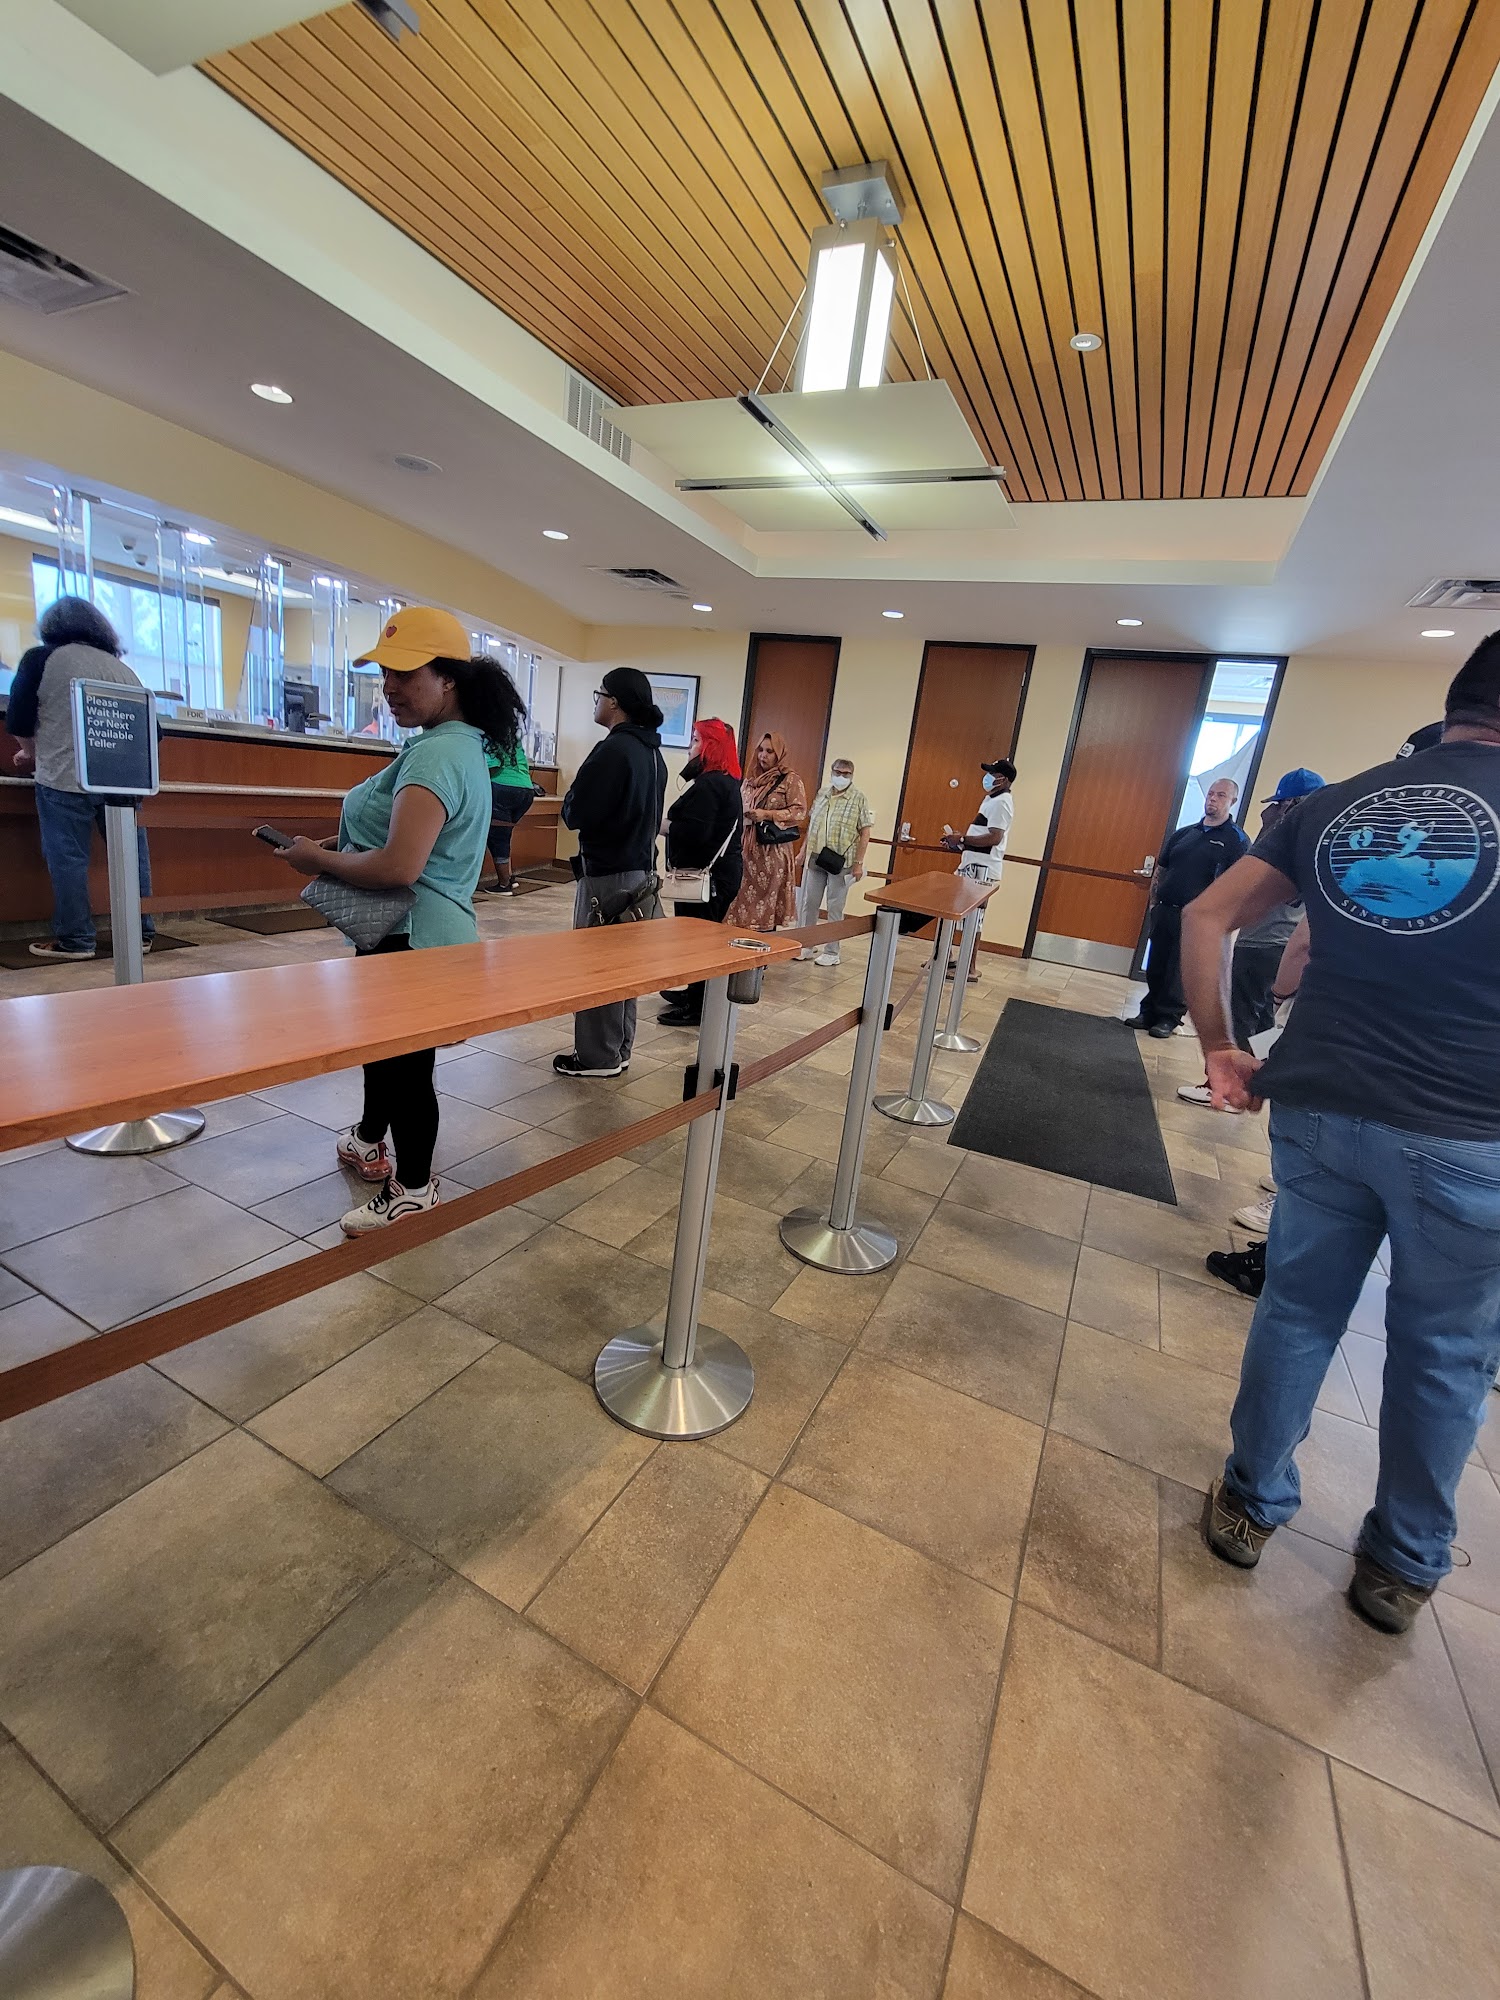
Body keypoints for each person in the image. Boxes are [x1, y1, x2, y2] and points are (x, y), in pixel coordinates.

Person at [1182, 634, 1500, 1633]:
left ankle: (1249, 1503)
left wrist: (1221, 1045)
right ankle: (1401, 1564)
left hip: (1320, 1105)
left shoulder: (1341, 803)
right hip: (1473, 1128)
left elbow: (1207, 915)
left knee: (1298, 1310)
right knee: (1445, 1350)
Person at [276, 604, 525, 1234]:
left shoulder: (437, 756)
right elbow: (409, 847)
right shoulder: (455, 747)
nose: (389, 686)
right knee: (391, 1056)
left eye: (405, 673)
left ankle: (414, 1187)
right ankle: (369, 1140)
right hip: (416, 934)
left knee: (408, 1069)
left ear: (449, 680)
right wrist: (339, 850)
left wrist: (316, 860)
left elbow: (399, 866)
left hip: (413, 936)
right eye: (384, 673)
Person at [7, 596, 156, 962]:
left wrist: (30, 751)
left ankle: (76, 940)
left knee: (68, 860)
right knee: (131, 858)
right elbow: (151, 731)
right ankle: (140, 934)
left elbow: (19, 718)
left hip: (65, 774)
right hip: (123, 778)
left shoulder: (41, 659)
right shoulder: (122, 669)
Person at [1178, 768, 1325, 1135]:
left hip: (1262, 943)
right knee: (1264, 1022)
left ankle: (1225, 1086)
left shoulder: (1289, 838)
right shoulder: (1322, 843)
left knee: (1239, 1016)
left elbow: (1207, 912)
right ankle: (1257, 1080)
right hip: (1281, 946)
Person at [553, 667, 667, 1078]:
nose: (597, 702)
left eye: (599, 695)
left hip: (608, 876)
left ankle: (596, 1057)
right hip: (639, 873)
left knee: (597, 967)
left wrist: (570, 799)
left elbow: (577, 812)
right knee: (624, 968)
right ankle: (618, 1048)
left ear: (614, 701)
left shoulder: (614, 750)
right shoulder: (652, 753)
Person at [1124, 777, 1248, 1038]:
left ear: (1233, 801)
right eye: (1211, 793)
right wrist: (1154, 904)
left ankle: (1168, 1017)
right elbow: (1162, 868)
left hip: (1196, 917)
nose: (1213, 799)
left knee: (1179, 970)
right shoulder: (1184, 834)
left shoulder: (1236, 840)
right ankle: (1149, 1011)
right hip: (1166, 909)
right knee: (1157, 964)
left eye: (1221, 795)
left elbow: (1236, 884)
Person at [658, 718, 744, 1027]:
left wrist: (660, 825)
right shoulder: (724, 781)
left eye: (695, 740)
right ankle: (694, 993)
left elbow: (695, 833)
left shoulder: (710, 785)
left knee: (698, 941)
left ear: (711, 747)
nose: (689, 747)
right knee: (698, 937)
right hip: (720, 874)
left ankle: (697, 1006)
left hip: (709, 878)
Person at [941, 756, 1016, 979]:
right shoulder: (991, 799)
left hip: (982, 867)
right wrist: (959, 842)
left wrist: (963, 839)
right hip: (972, 863)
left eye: (993, 774)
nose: (988, 777)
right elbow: (981, 835)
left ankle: (969, 967)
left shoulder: (1002, 802)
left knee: (974, 918)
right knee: (951, 908)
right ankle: (949, 958)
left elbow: (994, 837)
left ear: (1003, 779)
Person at [796, 755, 873, 966]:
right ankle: (807, 945)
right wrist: (802, 851)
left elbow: (865, 833)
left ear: (852, 775)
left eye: (846, 774)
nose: (841, 776)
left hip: (841, 861)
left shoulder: (858, 798)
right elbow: (813, 825)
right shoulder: (823, 793)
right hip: (816, 856)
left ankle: (832, 951)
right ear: (831, 772)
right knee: (809, 902)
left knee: (835, 907)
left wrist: (858, 863)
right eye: (838, 772)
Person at [726, 731, 807, 931]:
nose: (763, 755)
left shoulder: (790, 780)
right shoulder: (750, 779)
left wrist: (767, 814)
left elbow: (799, 812)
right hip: (745, 850)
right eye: (761, 750)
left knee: (764, 911)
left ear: (779, 754)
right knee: (739, 907)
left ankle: (761, 946)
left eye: (770, 751)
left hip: (771, 853)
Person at [477, 726, 534, 895]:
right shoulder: (511, 736)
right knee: (503, 835)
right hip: (525, 790)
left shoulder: (489, 735)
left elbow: (493, 766)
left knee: (497, 837)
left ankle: (504, 885)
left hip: (502, 788)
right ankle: (509, 878)